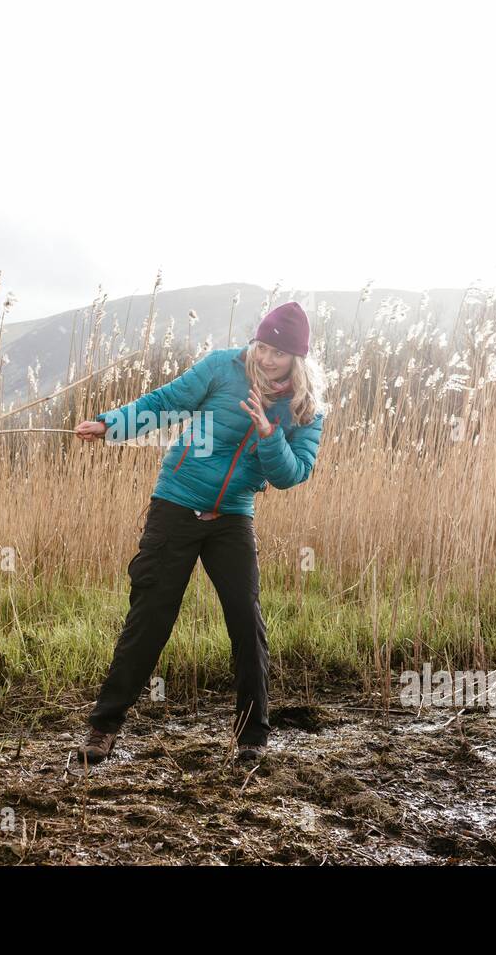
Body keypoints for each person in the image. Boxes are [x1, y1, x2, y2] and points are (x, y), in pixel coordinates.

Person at [72, 301, 327, 765]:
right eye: (263, 345)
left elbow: (293, 475)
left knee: (246, 621)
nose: (267, 358)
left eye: (279, 352)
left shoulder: (305, 409)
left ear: (298, 358)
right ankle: (103, 727)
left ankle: (252, 737)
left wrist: (269, 434)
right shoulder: (221, 368)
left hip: (232, 515)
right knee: (151, 615)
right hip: (177, 503)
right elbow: (166, 403)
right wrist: (112, 424)